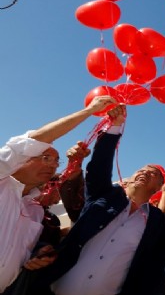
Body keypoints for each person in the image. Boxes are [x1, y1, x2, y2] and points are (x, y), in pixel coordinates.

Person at [36, 104, 165, 295]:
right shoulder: (105, 195)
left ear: (158, 188)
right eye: (141, 169)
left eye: (154, 173)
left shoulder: (156, 221)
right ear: (129, 178)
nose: (145, 172)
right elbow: (99, 167)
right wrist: (114, 128)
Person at [0, 95, 116, 293]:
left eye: (56, 161)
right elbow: (31, 141)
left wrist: (38, 254)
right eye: (46, 158)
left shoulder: (35, 211)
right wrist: (88, 111)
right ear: (21, 160)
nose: (53, 165)